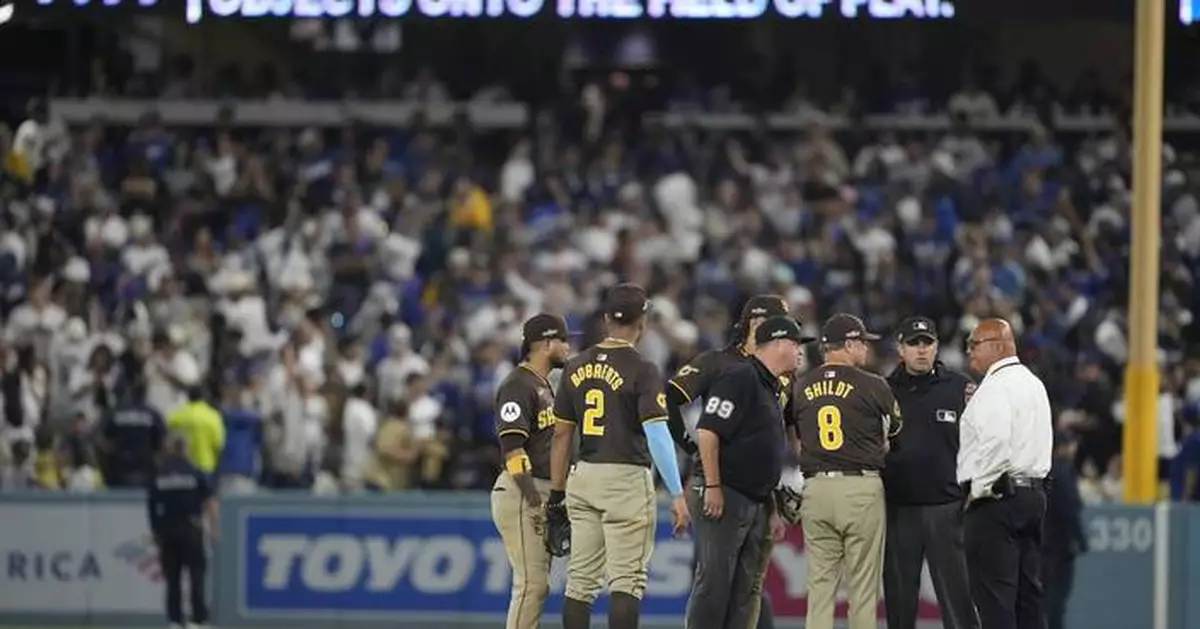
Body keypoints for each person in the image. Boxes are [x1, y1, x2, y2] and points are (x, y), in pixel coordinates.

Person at [548, 283, 691, 629]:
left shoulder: (575, 366)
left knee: (580, 582)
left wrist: (557, 493)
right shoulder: (643, 368)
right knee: (627, 582)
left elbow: (561, 435)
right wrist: (676, 492)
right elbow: (658, 435)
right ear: (642, 322)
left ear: (607, 319)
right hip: (625, 477)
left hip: (584, 475)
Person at [667, 294, 800, 629]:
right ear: (753, 324)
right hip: (719, 483)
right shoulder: (721, 363)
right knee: (715, 579)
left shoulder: (778, 375)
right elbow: (670, 400)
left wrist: (776, 493)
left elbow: (784, 429)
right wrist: (690, 447)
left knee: (749, 584)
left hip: (755, 491)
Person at [791, 313, 898, 629]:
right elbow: (896, 432)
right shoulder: (873, 384)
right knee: (863, 590)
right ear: (849, 343)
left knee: (820, 590)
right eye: (863, 342)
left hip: (816, 489)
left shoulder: (801, 386)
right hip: (860, 489)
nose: (866, 348)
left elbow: (796, 434)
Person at [882, 316, 979, 629]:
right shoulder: (883, 390)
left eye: (927, 343)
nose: (921, 350)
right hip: (899, 510)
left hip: (947, 509)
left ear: (937, 347)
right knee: (899, 602)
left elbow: (979, 442)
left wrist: (973, 490)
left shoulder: (959, 388)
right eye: (914, 344)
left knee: (958, 600)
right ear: (901, 349)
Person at [957, 318, 1053, 629]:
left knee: (995, 600)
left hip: (997, 499)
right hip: (1033, 495)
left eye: (975, 344)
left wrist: (979, 490)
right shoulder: (1034, 383)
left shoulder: (995, 387)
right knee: (1029, 597)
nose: (968, 350)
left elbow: (996, 442)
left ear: (998, 347)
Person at [490, 313, 572, 629]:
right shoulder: (517, 384)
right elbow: (512, 449)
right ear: (546, 343)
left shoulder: (542, 385)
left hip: (539, 490)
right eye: (563, 340)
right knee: (531, 585)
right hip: (522, 491)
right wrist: (535, 500)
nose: (567, 346)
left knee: (536, 586)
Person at [148, 432, 218, 629]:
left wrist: (155, 531)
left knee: (173, 578)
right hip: (191, 527)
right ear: (186, 449)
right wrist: (214, 528)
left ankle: (175, 620)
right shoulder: (195, 472)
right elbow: (210, 501)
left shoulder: (160, 474)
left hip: (168, 529)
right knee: (196, 574)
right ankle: (198, 619)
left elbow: (152, 506)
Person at [1044, 430, 1087, 629]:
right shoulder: (1063, 471)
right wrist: (1080, 539)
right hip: (1061, 545)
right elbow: (1069, 508)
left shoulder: (1043, 469)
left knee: (1043, 597)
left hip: (1042, 543)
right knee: (1056, 599)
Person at [98, 381, 166, 488]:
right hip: (145, 467)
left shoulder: (114, 412)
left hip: (119, 467)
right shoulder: (152, 414)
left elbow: (101, 440)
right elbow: (162, 440)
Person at [166, 387, 225, 476]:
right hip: (206, 466)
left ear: (189, 398)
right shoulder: (214, 417)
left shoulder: (177, 416)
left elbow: (166, 438)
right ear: (204, 398)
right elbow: (219, 445)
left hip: (185, 467)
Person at [1169, 411, 1200, 502]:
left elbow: (1192, 470)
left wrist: (1186, 497)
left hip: (1186, 500)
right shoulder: (1186, 440)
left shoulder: (1193, 441)